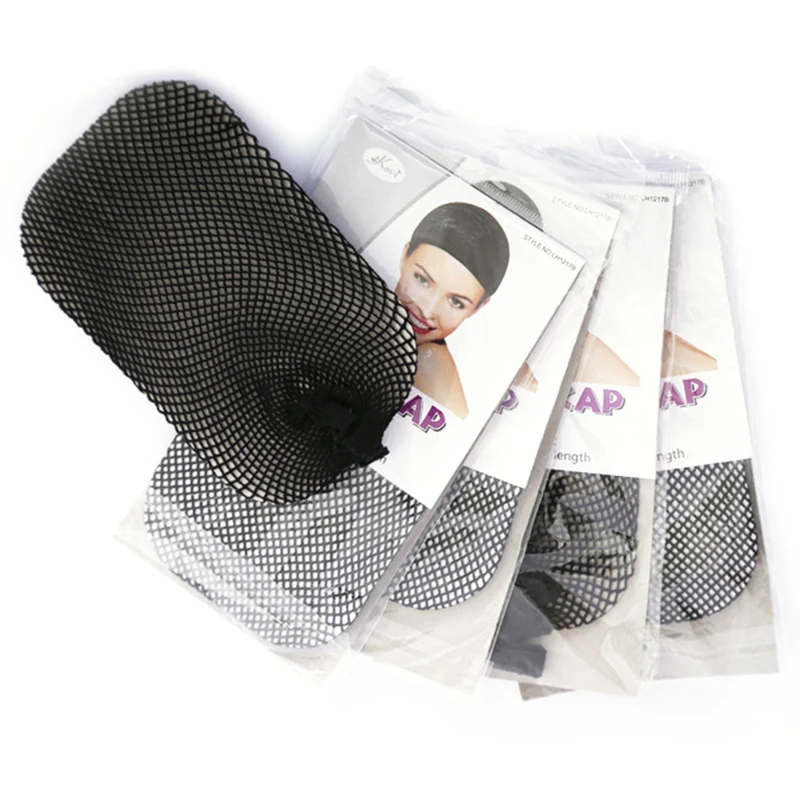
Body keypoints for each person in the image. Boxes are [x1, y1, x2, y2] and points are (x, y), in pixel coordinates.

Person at [394, 202, 509, 419]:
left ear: (478, 307)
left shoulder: (430, 364)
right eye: (422, 280)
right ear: (404, 255)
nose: (428, 310)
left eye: (456, 302)